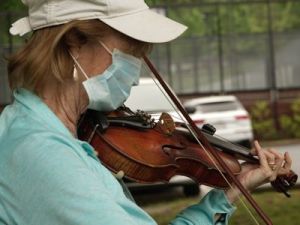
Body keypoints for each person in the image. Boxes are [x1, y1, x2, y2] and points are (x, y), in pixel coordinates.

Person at [0, 0, 292, 225]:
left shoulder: (53, 136)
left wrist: (231, 191)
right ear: (73, 41)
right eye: (130, 50)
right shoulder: (43, 154)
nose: (135, 71)